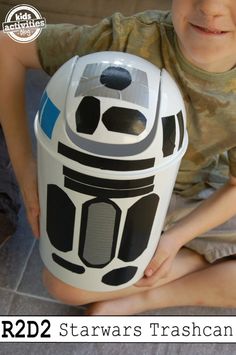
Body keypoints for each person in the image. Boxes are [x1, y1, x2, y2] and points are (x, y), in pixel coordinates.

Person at [0, 0, 236, 315]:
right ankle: (201, 258)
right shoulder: (126, 40)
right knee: (64, 285)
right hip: (130, 198)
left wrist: (176, 239)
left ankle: (151, 293)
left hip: (205, 198)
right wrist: (26, 170)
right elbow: (9, 44)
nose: (210, 8)